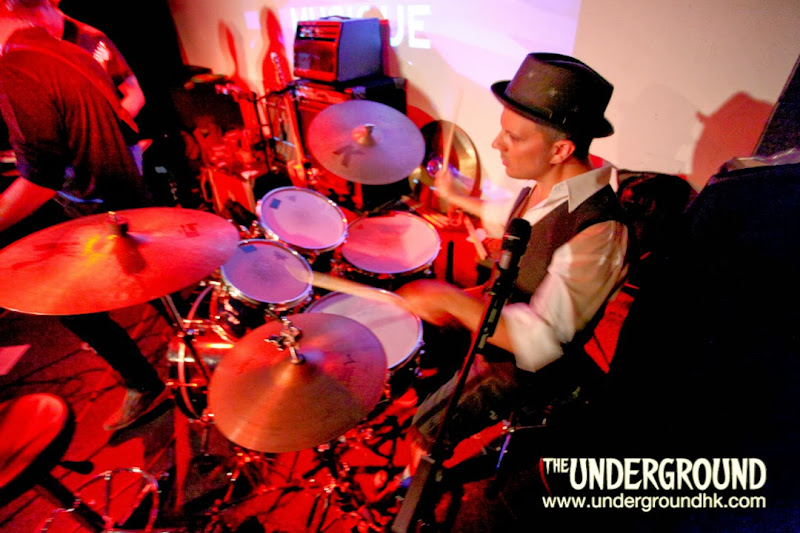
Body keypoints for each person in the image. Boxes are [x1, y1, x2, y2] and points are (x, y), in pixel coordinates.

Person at [393, 53, 632, 482]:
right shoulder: (545, 187)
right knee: (425, 340)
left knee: (425, 428)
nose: (496, 144)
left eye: (513, 137)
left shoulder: (599, 230)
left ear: (560, 149)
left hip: (527, 368)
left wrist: (450, 298)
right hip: (499, 327)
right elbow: (520, 227)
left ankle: (416, 484)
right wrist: (458, 200)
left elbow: (540, 342)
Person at [0, 0, 168, 431]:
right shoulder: (54, 50)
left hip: (100, 193)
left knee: (91, 294)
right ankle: (166, 364)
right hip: (87, 193)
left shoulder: (76, 44)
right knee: (109, 287)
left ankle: (161, 369)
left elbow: (131, 90)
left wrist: (114, 125)